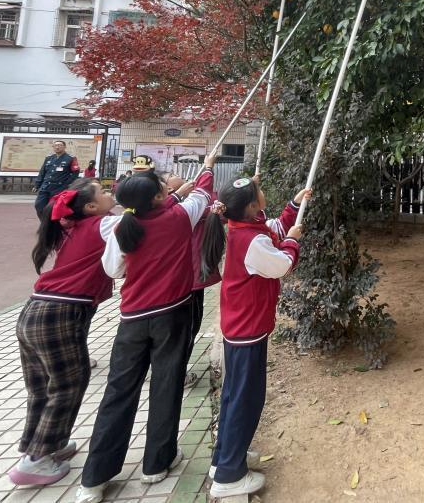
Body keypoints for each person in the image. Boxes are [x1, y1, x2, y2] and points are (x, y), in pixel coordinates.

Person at [74, 155, 215, 503]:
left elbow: (113, 271)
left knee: (119, 392)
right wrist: (207, 166)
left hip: (133, 320)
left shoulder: (124, 227)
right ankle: (157, 463)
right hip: (173, 314)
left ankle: (94, 479)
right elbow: (202, 194)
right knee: (167, 385)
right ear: (157, 197)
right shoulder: (178, 217)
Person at [200, 175, 309, 498]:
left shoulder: (244, 228)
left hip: (239, 327)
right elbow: (282, 264)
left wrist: (294, 205)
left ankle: (225, 457)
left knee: (235, 395)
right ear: (251, 206)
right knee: (246, 400)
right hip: (247, 330)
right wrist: (293, 240)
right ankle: (229, 477)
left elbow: (272, 226)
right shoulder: (251, 241)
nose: (263, 192)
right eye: (259, 191)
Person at [8, 178, 115, 487]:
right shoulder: (102, 226)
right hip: (60, 315)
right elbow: (143, 222)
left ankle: (41, 445)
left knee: (41, 388)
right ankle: (37, 460)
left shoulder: (69, 226)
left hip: (34, 311)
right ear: (91, 207)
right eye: (103, 192)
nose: (110, 192)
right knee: (69, 385)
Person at [164, 171, 219, 386]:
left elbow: (210, 202)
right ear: (168, 190)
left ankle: (172, 370)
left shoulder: (172, 208)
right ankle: (175, 375)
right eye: (172, 175)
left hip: (187, 279)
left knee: (186, 327)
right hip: (188, 280)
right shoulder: (180, 211)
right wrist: (208, 168)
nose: (180, 175)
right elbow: (202, 195)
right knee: (186, 328)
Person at [33, 140, 81, 219]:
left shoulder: (70, 158)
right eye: (55, 145)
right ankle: (45, 224)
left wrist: (66, 185)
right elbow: (42, 172)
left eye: (60, 145)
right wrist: (37, 185)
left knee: (54, 208)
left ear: (65, 147)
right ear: (53, 147)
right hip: (45, 186)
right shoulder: (49, 158)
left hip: (59, 188)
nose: (57, 147)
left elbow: (75, 173)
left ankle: (51, 227)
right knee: (39, 205)